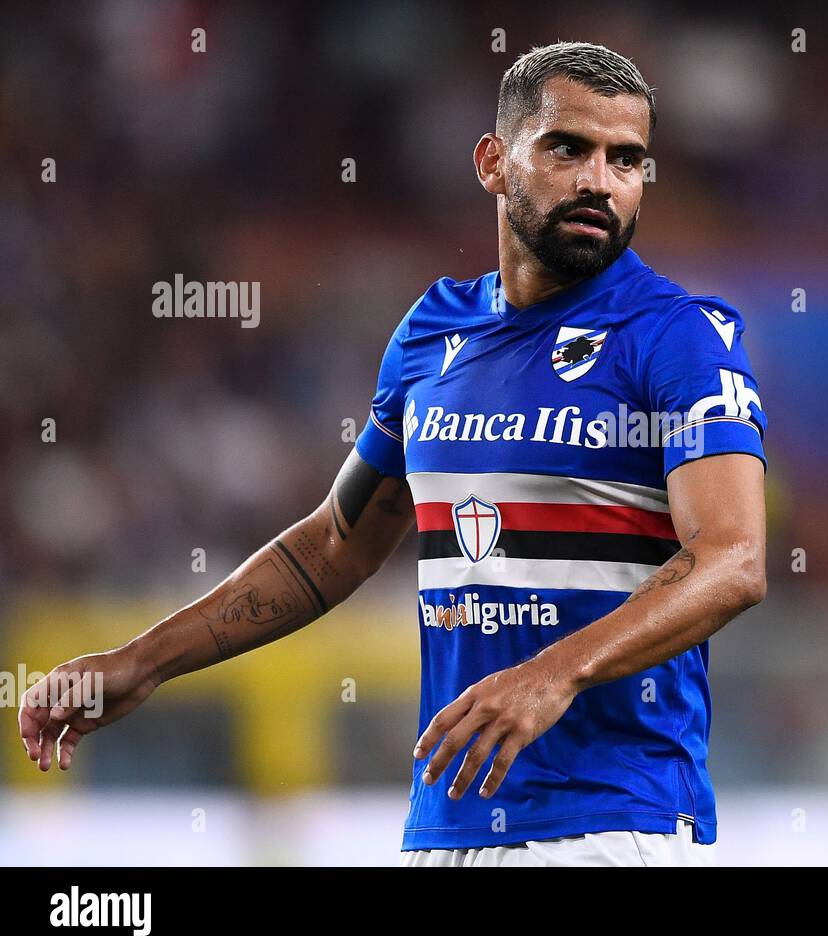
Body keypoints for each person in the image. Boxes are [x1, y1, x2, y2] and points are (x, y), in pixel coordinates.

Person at [19, 40, 768, 867]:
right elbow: (336, 544)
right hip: (446, 821)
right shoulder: (434, 334)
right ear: (493, 161)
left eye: (627, 160)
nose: (600, 181)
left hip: (612, 823)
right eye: (569, 148)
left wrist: (554, 673)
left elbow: (732, 559)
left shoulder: (679, 337)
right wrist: (144, 662)